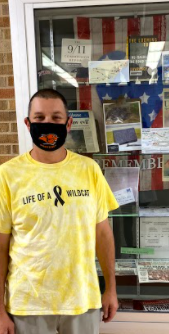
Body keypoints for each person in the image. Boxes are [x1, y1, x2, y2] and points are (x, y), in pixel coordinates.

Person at [0, 89, 119, 334]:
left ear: (68, 123)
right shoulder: (7, 175)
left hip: (82, 299)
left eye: (56, 118)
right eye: (39, 118)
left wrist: (111, 289)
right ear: (27, 123)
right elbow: (1, 247)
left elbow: (103, 234)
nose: (47, 124)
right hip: (27, 305)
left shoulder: (89, 170)